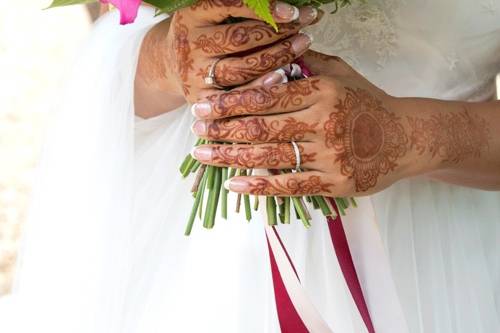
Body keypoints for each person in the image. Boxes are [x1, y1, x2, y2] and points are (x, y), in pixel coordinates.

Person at [0, 1, 498, 332]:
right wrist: (173, 61)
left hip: (436, 244)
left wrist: (410, 137)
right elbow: (118, 22)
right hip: (200, 242)